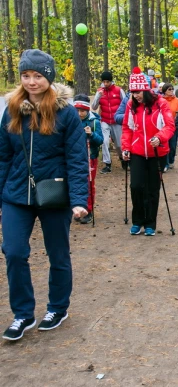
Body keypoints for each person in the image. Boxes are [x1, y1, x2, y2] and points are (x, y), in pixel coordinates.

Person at [0, 49, 89, 341]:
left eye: (37, 76)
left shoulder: (65, 114)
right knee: (13, 252)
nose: (31, 82)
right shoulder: (12, 109)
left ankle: (57, 307)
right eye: (26, 75)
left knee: (57, 254)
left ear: (48, 77)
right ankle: (23, 314)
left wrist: (79, 200)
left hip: (54, 194)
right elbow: (3, 156)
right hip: (16, 194)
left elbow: (77, 158)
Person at [121, 67, 175, 236]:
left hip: (156, 152)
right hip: (137, 151)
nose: (135, 95)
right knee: (136, 186)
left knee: (152, 188)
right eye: (132, 92)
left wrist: (160, 137)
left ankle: (150, 223)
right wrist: (125, 147)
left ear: (146, 89)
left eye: (138, 91)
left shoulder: (161, 103)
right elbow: (127, 128)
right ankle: (137, 220)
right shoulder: (131, 105)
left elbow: (169, 126)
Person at [73, 94, 103, 224]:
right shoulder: (72, 121)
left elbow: (100, 140)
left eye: (82, 111)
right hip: (74, 157)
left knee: (89, 183)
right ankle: (78, 208)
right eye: (77, 111)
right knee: (75, 182)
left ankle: (88, 209)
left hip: (90, 156)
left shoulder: (94, 122)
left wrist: (91, 134)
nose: (80, 113)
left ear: (87, 110)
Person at [91, 71, 126, 174]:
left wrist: (123, 117)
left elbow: (125, 103)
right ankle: (107, 164)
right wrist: (98, 96)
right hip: (105, 120)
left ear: (111, 81)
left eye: (107, 81)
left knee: (119, 144)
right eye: (104, 81)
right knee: (105, 141)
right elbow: (94, 107)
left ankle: (122, 159)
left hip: (116, 120)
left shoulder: (119, 90)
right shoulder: (100, 91)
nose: (106, 84)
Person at [160, 83, 178, 171]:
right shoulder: (160, 100)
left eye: (172, 89)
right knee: (164, 145)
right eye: (169, 89)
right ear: (164, 90)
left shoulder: (177, 101)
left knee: (172, 146)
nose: (171, 91)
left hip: (174, 126)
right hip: (163, 127)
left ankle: (171, 160)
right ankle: (165, 163)